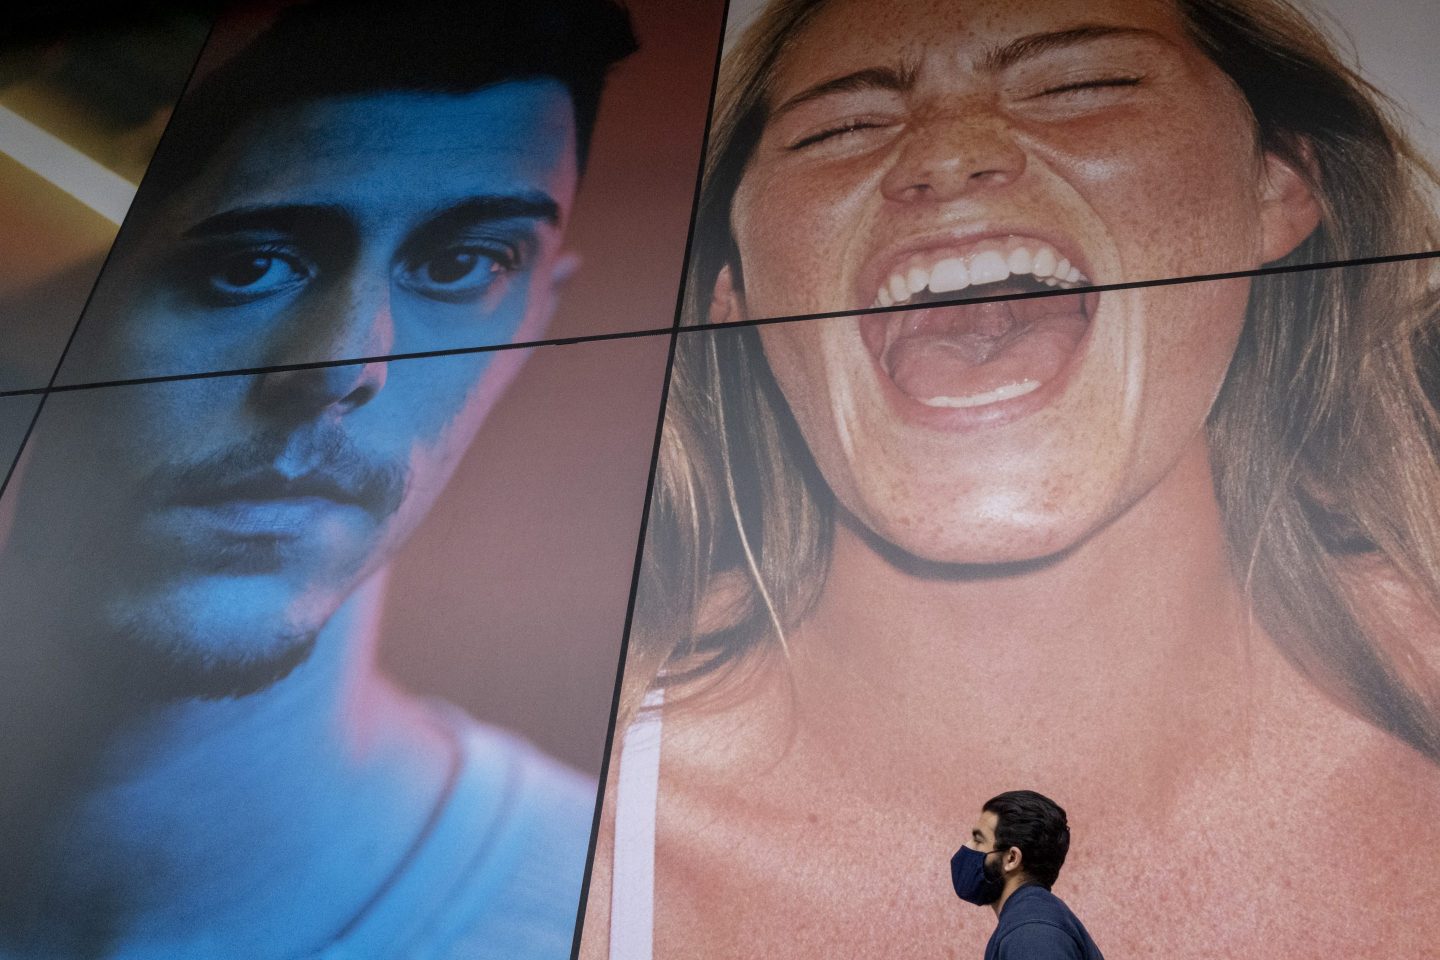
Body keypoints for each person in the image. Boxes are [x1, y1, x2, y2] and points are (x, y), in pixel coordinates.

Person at [579, 0, 1440, 957]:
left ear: (1278, 188)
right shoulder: (557, 855)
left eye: (1080, 85)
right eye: (841, 127)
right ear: (733, 294)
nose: (948, 156)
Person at [0, 1, 635, 957]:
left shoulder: (628, 916)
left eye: (465, 262)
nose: (344, 368)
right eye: (247, 265)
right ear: (48, 295)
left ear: (535, 322)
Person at [949, 791, 1103, 960]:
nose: (967, 846)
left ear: (1012, 858)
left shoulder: (1031, 933)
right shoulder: (1032, 922)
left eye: (978, 840)